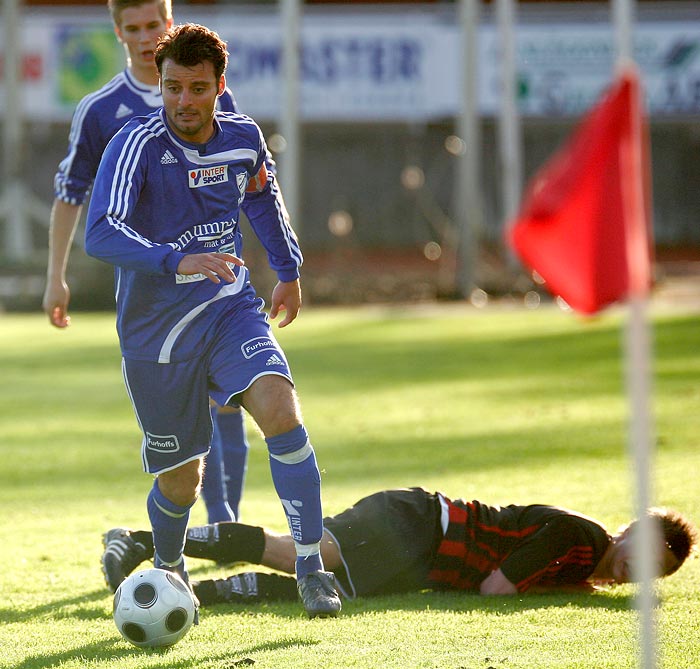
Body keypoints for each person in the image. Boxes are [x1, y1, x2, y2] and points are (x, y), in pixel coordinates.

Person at [85, 22, 341, 619]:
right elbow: (102, 233)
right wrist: (177, 259)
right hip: (156, 333)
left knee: (280, 410)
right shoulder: (135, 146)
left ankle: (310, 565)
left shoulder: (244, 138)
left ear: (218, 86)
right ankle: (171, 570)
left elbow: (262, 198)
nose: (183, 102)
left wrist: (288, 268)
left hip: (230, 309)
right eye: (173, 88)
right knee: (181, 480)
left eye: (197, 89)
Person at [42, 0, 249, 527]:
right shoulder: (100, 110)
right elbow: (71, 194)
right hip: (151, 287)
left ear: (170, 23)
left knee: (228, 391)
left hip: (210, 276)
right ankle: (187, 525)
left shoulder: (199, 88)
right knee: (187, 410)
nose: (143, 36)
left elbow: (235, 177)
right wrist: (55, 278)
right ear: (117, 32)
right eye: (132, 28)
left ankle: (224, 517)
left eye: (153, 25)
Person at [101, 487, 698, 606]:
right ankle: (139, 541)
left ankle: (182, 592)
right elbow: (496, 587)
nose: (636, 574)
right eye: (644, 557)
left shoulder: (583, 563)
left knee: (313, 584)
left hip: (419, 556)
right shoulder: (578, 537)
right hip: (418, 525)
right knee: (298, 556)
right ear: (630, 532)